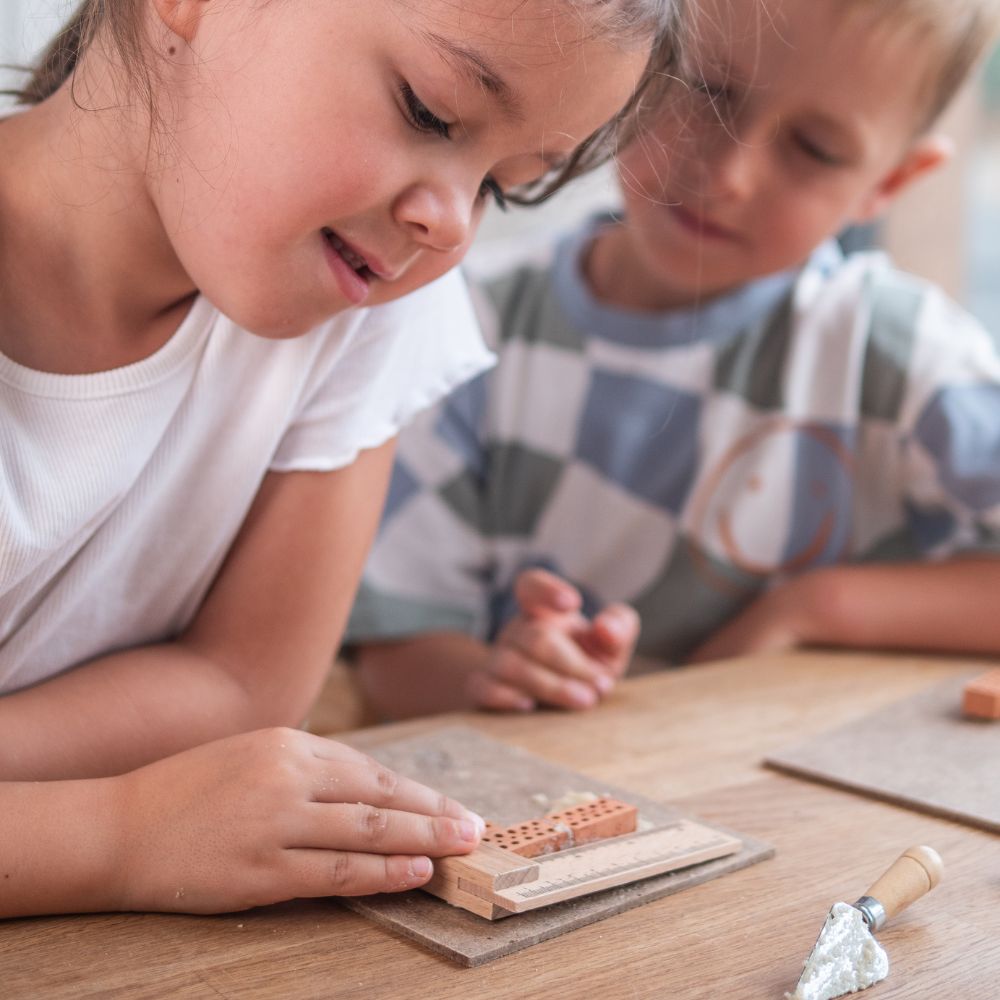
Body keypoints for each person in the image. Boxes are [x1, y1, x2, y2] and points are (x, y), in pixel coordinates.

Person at [0, 0, 679, 917]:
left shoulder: (368, 300)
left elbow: (244, 685)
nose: (452, 226)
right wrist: (112, 833)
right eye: (430, 111)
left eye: (501, 186)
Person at [349, 0, 1000, 719]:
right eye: (704, 92)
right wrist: (502, 677)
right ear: (631, 60)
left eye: (814, 148)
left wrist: (816, 607)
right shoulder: (461, 327)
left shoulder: (902, 356)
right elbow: (394, 651)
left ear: (890, 184)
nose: (729, 174)